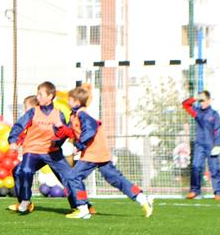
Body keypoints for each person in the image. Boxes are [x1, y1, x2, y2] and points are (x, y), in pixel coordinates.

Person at [57, 85, 153, 219]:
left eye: (70, 100)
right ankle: (142, 198)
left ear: (77, 102)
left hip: (93, 152)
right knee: (115, 178)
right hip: (99, 152)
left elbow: (90, 130)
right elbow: (69, 131)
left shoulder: (82, 114)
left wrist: (79, 145)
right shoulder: (74, 115)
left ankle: (83, 208)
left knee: (73, 176)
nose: (68, 101)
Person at [6, 83, 83, 218]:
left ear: (50, 96)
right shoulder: (32, 112)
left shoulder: (58, 114)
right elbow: (18, 126)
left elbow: (64, 134)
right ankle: (25, 202)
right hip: (33, 151)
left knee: (69, 177)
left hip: (52, 152)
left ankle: (81, 205)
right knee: (21, 171)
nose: (38, 97)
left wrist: (57, 142)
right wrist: (13, 141)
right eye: (37, 94)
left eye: (41, 94)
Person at [181, 90, 220, 199]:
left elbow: (217, 130)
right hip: (199, 145)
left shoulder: (214, 114)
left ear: (209, 100)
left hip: (212, 145)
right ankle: (194, 190)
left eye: (203, 100)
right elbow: (185, 104)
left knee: (214, 169)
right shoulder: (197, 112)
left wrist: (217, 145)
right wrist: (195, 98)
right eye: (200, 101)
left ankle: (218, 192)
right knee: (196, 167)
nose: (201, 103)